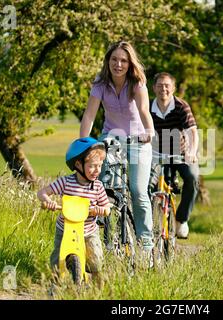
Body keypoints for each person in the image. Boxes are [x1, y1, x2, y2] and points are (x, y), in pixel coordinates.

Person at [79, 41, 155, 253]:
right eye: (114, 59)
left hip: (138, 140)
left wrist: (149, 131)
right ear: (108, 61)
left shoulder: (137, 83)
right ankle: (102, 232)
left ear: (130, 64)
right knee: (102, 186)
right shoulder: (100, 83)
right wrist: (83, 143)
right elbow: (89, 115)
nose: (118, 64)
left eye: (123, 60)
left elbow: (143, 110)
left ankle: (146, 245)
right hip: (111, 139)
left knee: (138, 191)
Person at [37, 137, 110, 287]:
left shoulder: (97, 187)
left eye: (100, 166)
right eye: (92, 166)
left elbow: (107, 208)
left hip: (88, 232)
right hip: (65, 229)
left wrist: (100, 210)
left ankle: (97, 287)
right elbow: (42, 192)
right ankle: (55, 285)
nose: (97, 170)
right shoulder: (65, 182)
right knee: (58, 259)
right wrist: (48, 201)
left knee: (96, 262)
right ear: (78, 164)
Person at [150, 72, 199, 239]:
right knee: (146, 184)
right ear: (154, 88)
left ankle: (181, 219)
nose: (163, 88)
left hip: (181, 153)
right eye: (160, 85)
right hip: (156, 154)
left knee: (192, 177)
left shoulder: (181, 106)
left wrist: (191, 153)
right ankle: (148, 223)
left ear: (173, 88)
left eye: (167, 85)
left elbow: (192, 131)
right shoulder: (148, 107)